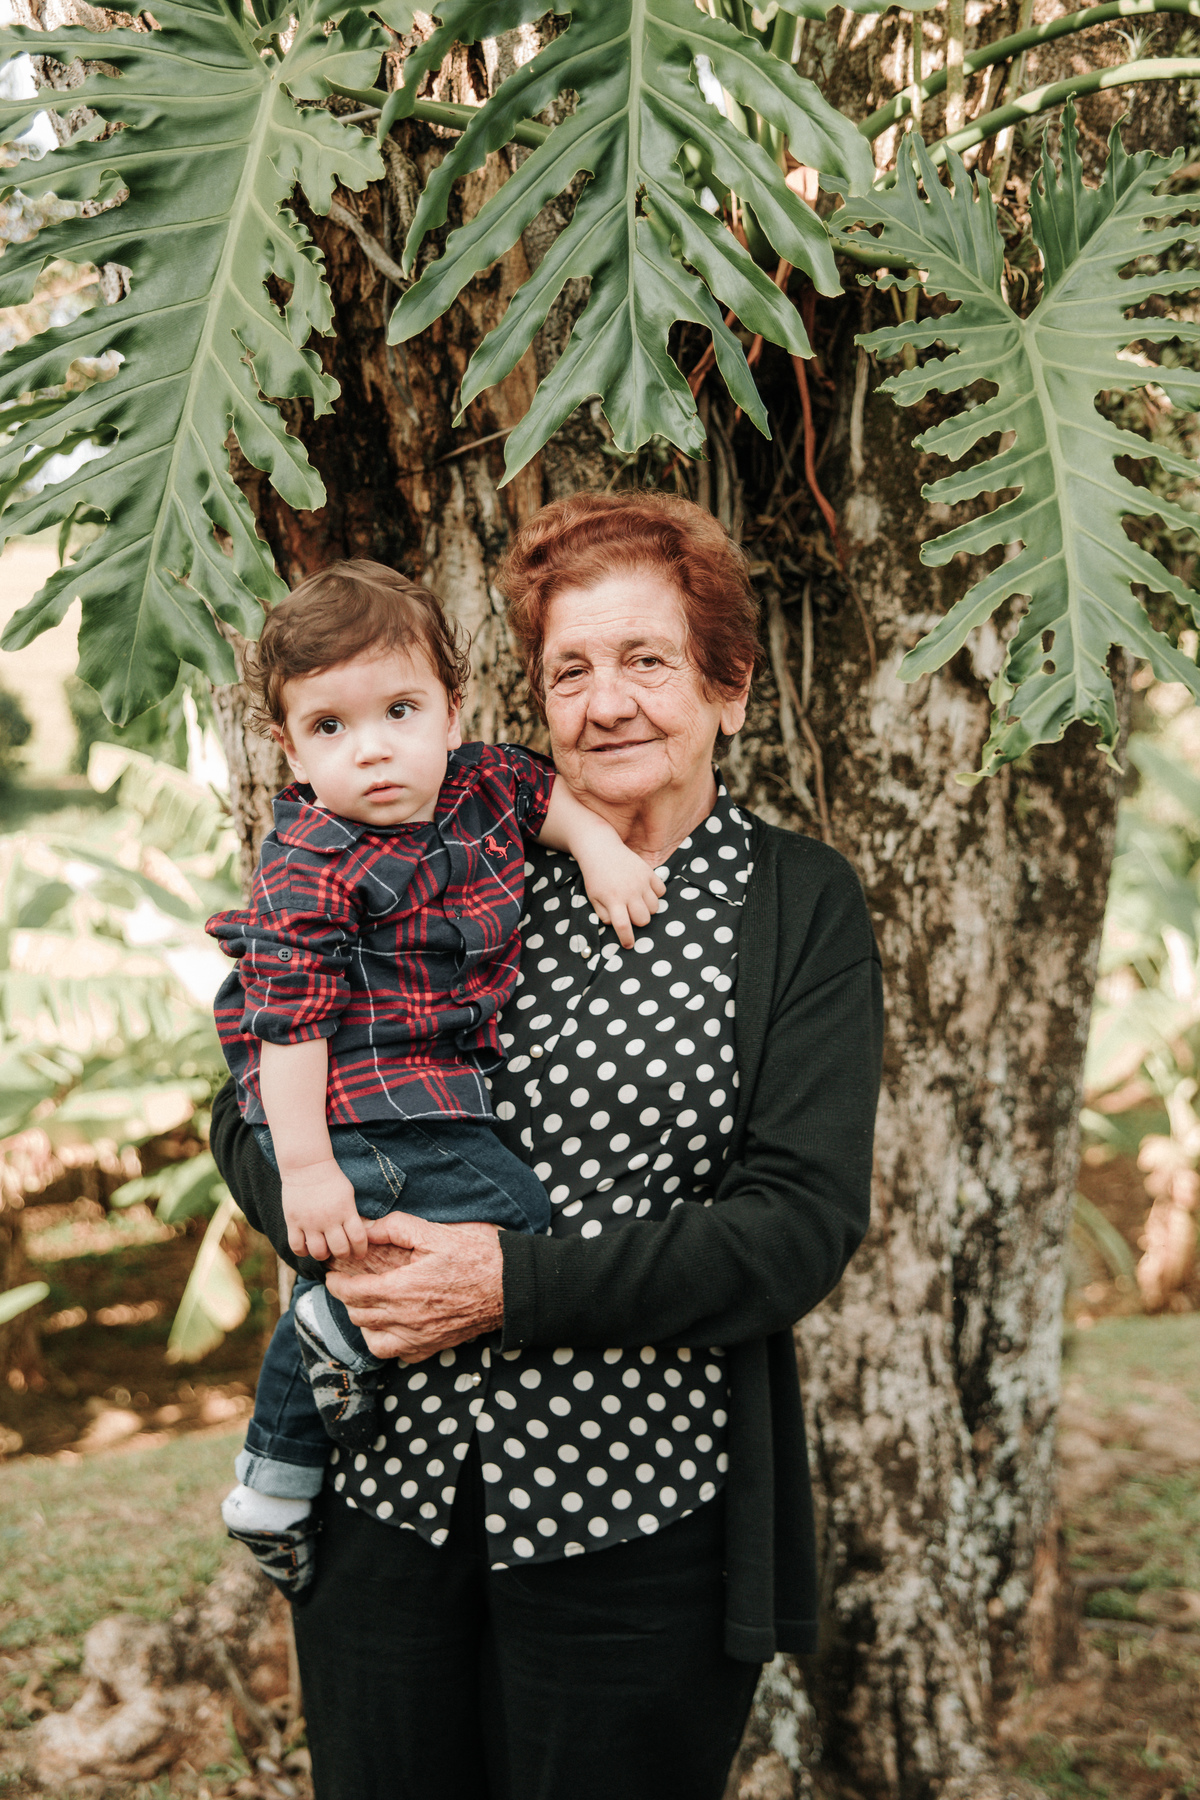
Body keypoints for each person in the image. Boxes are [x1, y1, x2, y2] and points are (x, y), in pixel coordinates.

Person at [210, 492, 883, 1800]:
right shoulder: (442, 848)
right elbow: (247, 1083)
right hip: (387, 1499)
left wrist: (507, 1288)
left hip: (633, 1521)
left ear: (729, 691)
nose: (608, 701)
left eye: (649, 662)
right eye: (570, 671)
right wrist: (333, 1220)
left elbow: (796, 1228)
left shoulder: (796, 906)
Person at [206, 561, 663, 1598]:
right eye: (329, 728)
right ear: (287, 746)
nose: (371, 749)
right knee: (509, 1225)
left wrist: (599, 851)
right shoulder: (310, 867)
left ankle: (292, 1448)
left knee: (472, 1245)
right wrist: (310, 1173)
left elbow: (547, 801)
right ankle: (299, 1421)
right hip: (356, 1106)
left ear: (451, 711)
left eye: (399, 711)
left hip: (431, 1093)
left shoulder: (482, 784)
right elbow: (286, 1032)